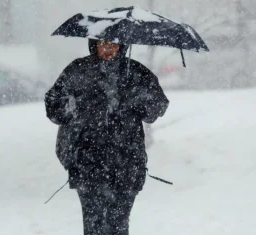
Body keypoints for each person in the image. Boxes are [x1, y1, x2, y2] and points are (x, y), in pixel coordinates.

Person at [44, 39, 169, 235]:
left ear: (123, 46)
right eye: (103, 43)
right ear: (94, 45)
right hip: (87, 163)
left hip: (127, 164)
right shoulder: (78, 70)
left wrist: (137, 100)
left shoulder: (136, 73)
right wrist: (73, 104)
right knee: (94, 225)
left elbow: (157, 107)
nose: (109, 48)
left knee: (119, 224)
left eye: (114, 44)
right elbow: (53, 106)